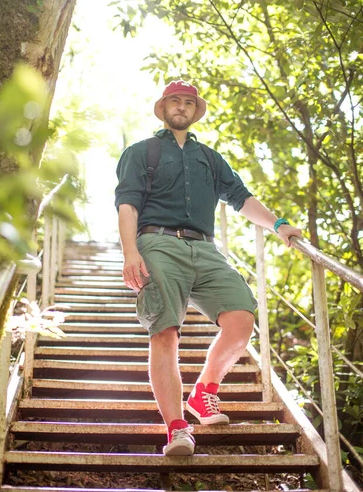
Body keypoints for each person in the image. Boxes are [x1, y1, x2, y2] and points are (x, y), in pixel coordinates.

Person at [115, 80, 302, 456]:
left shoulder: (210, 158)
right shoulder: (141, 152)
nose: (181, 107)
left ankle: (203, 392)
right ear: (163, 108)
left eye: (188, 102)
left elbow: (240, 198)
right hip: (157, 242)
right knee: (165, 330)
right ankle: (177, 429)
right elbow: (128, 204)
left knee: (242, 317)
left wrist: (279, 225)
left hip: (204, 247)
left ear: (195, 110)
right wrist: (130, 251)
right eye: (175, 101)